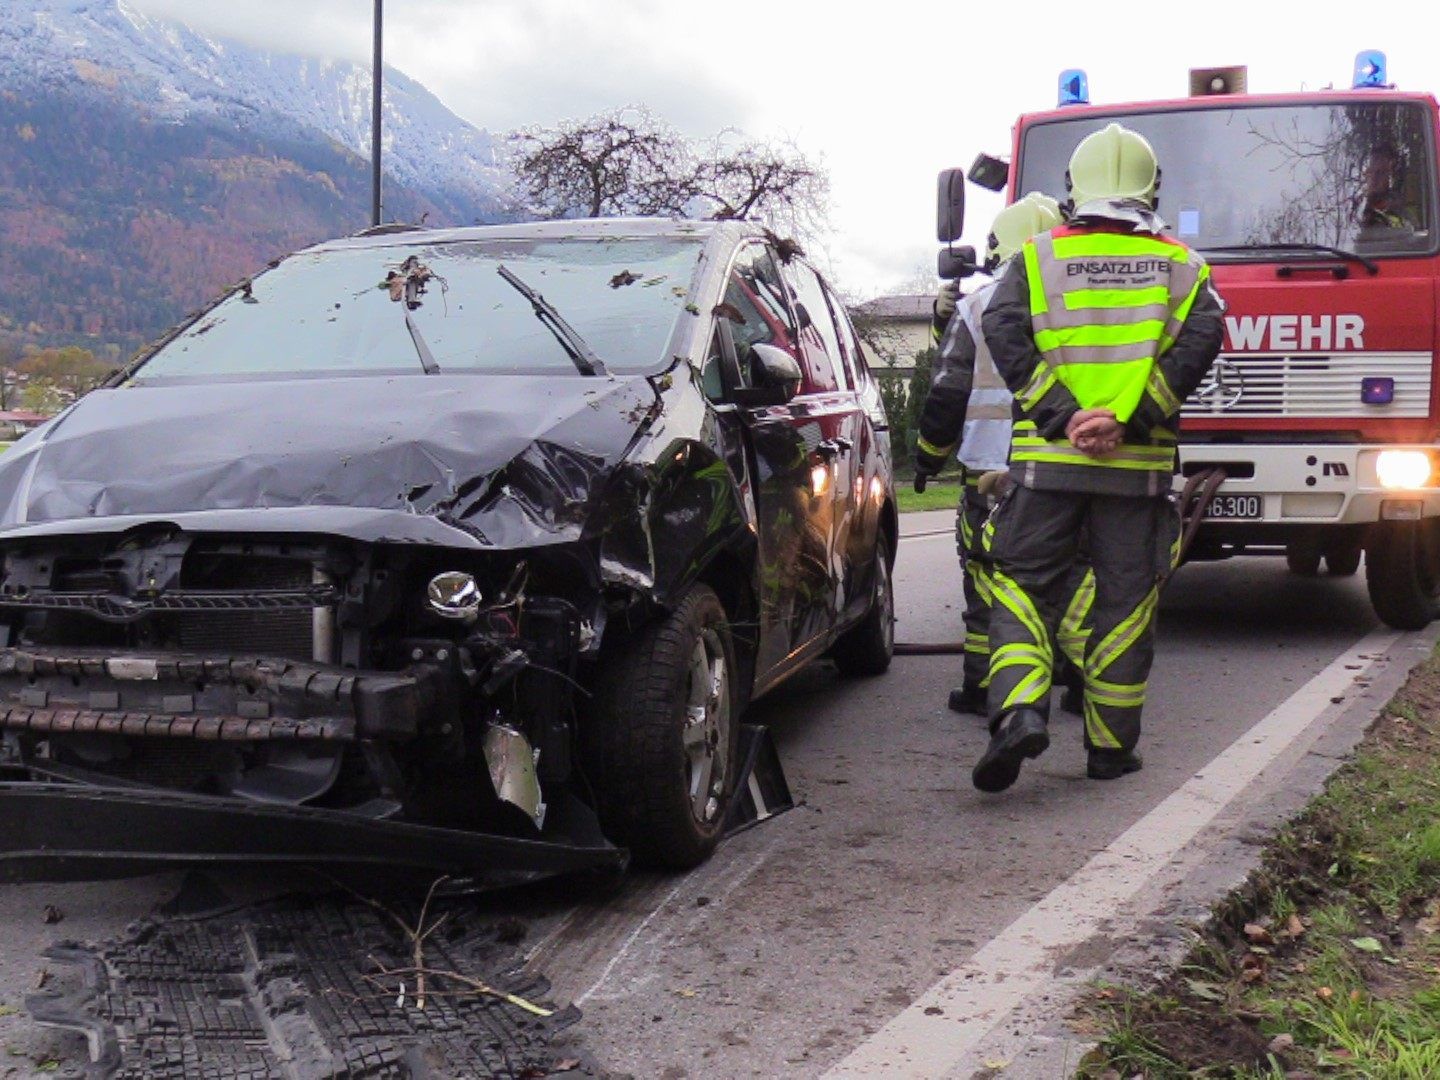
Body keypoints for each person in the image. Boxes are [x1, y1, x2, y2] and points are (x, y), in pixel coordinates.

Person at [972, 122, 1224, 793]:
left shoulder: (1034, 258)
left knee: (1023, 587)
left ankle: (1020, 711)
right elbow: (1200, 344)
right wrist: (1130, 418)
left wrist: (1063, 415)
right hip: (1135, 474)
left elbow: (1001, 329)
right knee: (1124, 604)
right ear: (1152, 188)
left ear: (1074, 188)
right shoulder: (1186, 267)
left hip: (1046, 466)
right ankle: (1110, 750)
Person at [914, 194, 1081, 717]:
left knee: (987, 577)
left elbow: (948, 391)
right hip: (1064, 464)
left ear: (995, 248)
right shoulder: (1083, 299)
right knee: (1071, 577)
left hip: (988, 470)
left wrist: (927, 457)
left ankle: (984, 686)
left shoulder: (978, 305)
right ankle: (1081, 684)